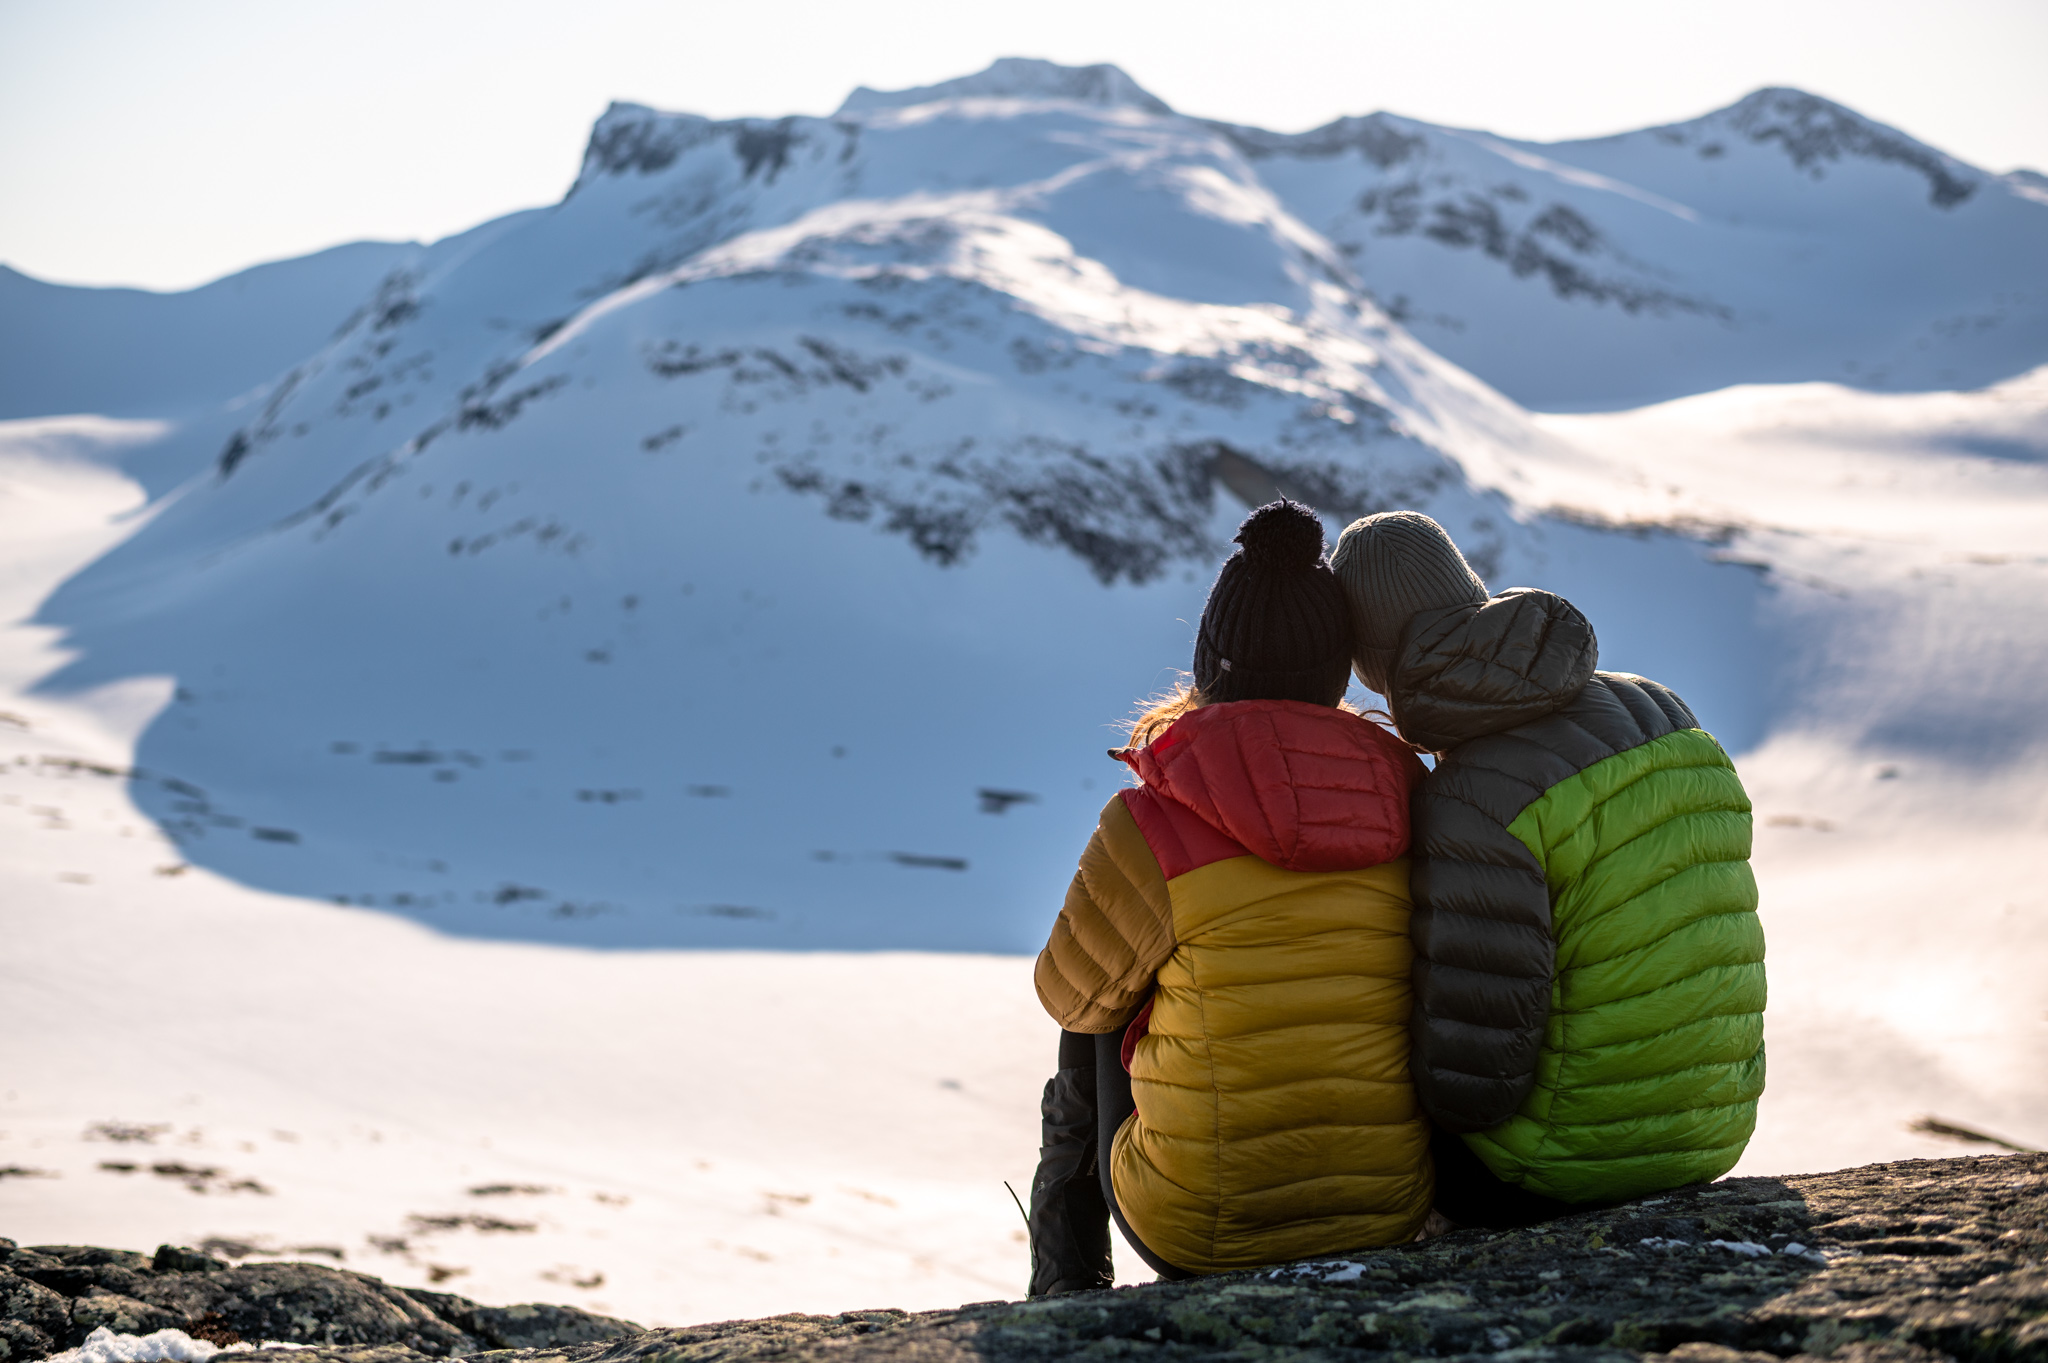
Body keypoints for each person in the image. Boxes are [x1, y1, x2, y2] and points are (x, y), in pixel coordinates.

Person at [1025, 499, 1433, 1294]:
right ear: (1337, 671)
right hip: (1389, 1206)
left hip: (1199, 1224)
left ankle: (1064, 1289)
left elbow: (1064, 992)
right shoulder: (1408, 793)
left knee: (1092, 1015)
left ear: (1211, 665)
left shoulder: (1153, 816)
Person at [1328, 510, 1765, 1228]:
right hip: (1713, 1127)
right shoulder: (1664, 708)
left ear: (1372, 665)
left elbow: (1475, 1083)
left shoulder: (1473, 797)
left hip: (1570, 1161)